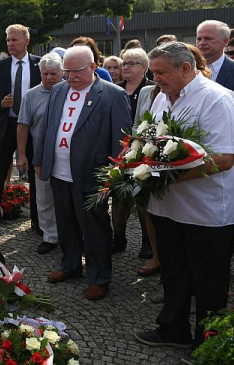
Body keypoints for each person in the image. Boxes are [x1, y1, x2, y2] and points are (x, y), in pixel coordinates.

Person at [135, 43, 234, 364]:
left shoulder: (216, 98)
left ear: (186, 68)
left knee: (208, 281)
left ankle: (208, 343)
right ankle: (172, 328)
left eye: (162, 72)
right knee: (175, 272)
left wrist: (163, 177)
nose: (156, 79)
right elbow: (150, 143)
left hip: (206, 212)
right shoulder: (163, 97)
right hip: (168, 209)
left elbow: (223, 159)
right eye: (154, 73)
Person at [35, 46, 131, 301]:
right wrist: (40, 159)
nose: (71, 77)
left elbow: (122, 140)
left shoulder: (112, 95)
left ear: (92, 66)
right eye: (67, 71)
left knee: (95, 227)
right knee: (65, 223)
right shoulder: (58, 90)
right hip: (59, 171)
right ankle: (70, 266)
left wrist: (114, 173)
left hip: (93, 173)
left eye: (77, 71)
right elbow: (47, 127)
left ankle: (99, 276)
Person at [0, 24, 41, 232]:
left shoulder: (38, 65)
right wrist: (0, 103)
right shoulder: (0, 66)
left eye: (14, 40)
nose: (10, 43)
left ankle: (37, 221)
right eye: (8, 40)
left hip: (32, 127)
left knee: (35, 173)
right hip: (6, 125)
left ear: (26, 41)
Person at [17, 52, 63, 255]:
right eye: (45, 74)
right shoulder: (31, 95)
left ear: (62, 72)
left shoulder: (70, 92)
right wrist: (21, 155)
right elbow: (23, 126)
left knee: (66, 197)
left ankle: (70, 234)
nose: (49, 77)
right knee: (43, 197)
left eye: (53, 73)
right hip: (41, 154)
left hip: (66, 154)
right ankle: (49, 236)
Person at [111, 47, 155, 255]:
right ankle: (118, 238)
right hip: (118, 152)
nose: (125, 67)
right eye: (124, 63)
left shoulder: (153, 90)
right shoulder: (114, 89)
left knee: (143, 200)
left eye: (131, 63)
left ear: (144, 67)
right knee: (119, 198)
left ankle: (148, 242)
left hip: (144, 152)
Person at [196, 19, 234, 94]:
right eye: (199, 39)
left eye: (208, 38)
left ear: (225, 41)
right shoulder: (186, 69)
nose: (202, 43)